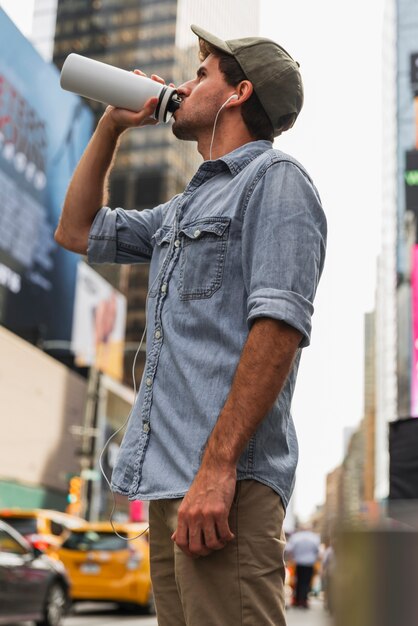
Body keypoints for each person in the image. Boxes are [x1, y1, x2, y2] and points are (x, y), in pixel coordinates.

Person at [55, 24, 327, 626]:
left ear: (237, 94)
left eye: (201, 74)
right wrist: (111, 127)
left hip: (223, 488)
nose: (182, 83)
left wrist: (219, 467)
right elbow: (76, 230)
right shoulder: (180, 210)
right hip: (170, 485)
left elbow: (278, 329)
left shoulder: (277, 183)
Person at [285, 525, 321, 609]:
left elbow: (290, 549)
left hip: (299, 562)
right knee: (307, 581)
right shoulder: (314, 537)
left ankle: (298, 600)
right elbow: (317, 550)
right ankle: (304, 599)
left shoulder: (296, 537)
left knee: (299, 581)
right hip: (309, 563)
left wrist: (292, 558)